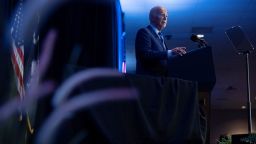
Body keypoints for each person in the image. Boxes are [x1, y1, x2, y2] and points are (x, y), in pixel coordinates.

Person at [135, 6, 187, 76]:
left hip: (161, 81)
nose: (165, 18)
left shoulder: (160, 37)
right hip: (149, 80)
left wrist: (175, 56)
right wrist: (170, 52)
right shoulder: (144, 32)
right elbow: (145, 54)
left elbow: (162, 59)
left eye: (166, 16)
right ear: (152, 17)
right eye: (162, 15)